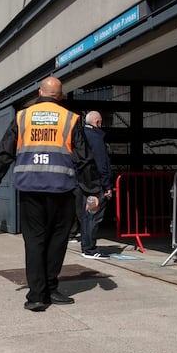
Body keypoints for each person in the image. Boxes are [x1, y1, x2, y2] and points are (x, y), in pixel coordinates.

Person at [0, 76, 101, 312]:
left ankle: (37, 296)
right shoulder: (71, 118)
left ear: (39, 92)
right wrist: (93, 191)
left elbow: (4, 150)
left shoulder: (22, 117)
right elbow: (83, 158)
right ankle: (51, 287)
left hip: (30, 190)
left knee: (35, 241)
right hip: (61, 190)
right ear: (61, 96)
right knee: (57, 241)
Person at [80, 111, 113, 259]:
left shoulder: (81, 136)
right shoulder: (97, 138)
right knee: (94, 216)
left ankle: (85, 246)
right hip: (96, 184)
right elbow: (102, 163)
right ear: (98, 122)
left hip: (84, 182)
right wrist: (107, 186)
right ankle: (90, 249)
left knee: (87, 216)